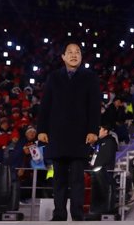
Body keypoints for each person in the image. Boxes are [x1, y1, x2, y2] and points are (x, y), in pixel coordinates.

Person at [37, 41, 101, 221]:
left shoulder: (90, 77)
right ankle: (59, 214)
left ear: (81, 57)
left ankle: (77, 214)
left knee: (78, 179)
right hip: (57, 134)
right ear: (63, 57)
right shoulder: (54, 77)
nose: (74, 55)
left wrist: (93, 130)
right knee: (59, 179)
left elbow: (94, 107)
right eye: (70, 52)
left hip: (80, 135)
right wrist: (42, 129)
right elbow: (45, 106)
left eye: (77, 52)